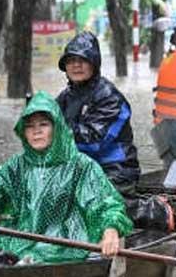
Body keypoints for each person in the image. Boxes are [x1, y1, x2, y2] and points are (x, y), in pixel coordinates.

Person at [0, 92, 133, 264]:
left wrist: (111, 230)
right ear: (23, 132)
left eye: (43, 124)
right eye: (30, 126)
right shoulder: (15, 165)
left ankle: (13, 263)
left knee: (39, 255)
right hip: (18, 235)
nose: (36, 131)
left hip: (63, 241)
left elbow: (104, 203)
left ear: (56, 128)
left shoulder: (81, 165)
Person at [55, 31, 140, 189]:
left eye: (83, 60)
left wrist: (55, 131)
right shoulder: (65, 97)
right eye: (71, 60)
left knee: (95, 202)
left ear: (94, 63)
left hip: (115, 169)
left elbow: (94, 142)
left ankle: (155, 210)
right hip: (78, 168)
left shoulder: (110, 98)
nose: (76, 65)